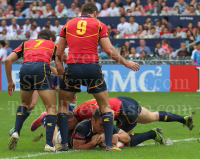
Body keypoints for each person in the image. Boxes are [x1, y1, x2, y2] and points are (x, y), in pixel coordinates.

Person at [56, 2, 140, 151]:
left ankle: (62, 144)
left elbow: (59, 53)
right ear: (95, 13)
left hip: (73, 68)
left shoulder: (67, 25)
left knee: (63, 106)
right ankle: (109, 145)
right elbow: (108, 49)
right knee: (105, 107)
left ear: (81, 12)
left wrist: (61, 70)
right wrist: (126, 62)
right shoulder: (99, 24)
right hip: (92, 68)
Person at [6, 30, 58, 152]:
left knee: (25, 103)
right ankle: (49, 144)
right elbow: (62, 62)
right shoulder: (52, 45)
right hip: (41, 69)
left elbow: (8, 60)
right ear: (50, 39)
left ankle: (16, 131)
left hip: (25, 69)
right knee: (50, 107)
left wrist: (10, 82)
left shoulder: (26, 43)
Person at [32, 96, 194, 135]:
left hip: (124, 111)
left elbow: (102, 114)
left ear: (71, 120)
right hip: (122, 102)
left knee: (123, 139)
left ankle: (154, 134)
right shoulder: (77, 114)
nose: (68, 129)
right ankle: (183, 119)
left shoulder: (86, 112)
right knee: (152, 116)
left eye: (68, 126)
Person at [69, 110, 165, 150]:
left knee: (124, 142)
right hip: (65, 139)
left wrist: (116, 136)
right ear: (93, 120)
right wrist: (92, 143)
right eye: (101, 125)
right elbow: (76, 147)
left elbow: (127, 138)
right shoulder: (83, 127)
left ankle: (153, 133)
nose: (104, 128)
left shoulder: (106, 125)